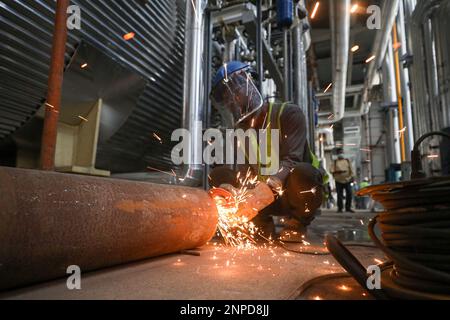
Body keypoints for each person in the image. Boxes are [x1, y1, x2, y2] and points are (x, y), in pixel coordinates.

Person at [208, 61, 324, 239]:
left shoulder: (289, 114)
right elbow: (244, 172)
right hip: (260, 200)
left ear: (250, 84)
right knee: (219, 174)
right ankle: (261, 223)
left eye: (234, 90)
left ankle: (298, 223)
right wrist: (237, 194)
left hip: (292, 196)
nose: (231, 100)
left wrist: (270, 185)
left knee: (304, 172)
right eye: (225, 97)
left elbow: (292, 160)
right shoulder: (241, 132)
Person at [330, 148, 355, 213]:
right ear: (337, 154)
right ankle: (340, 208)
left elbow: (351, 169)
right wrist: (337, 172)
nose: (340, 154)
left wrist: (352, 177)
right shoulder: (335, 162)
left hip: (347, 180)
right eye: (339, 152)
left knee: (349, 193)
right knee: (339, 195)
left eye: (341, 152)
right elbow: (331, 170)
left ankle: (348, 208)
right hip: (338, 180)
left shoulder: (347, 160)